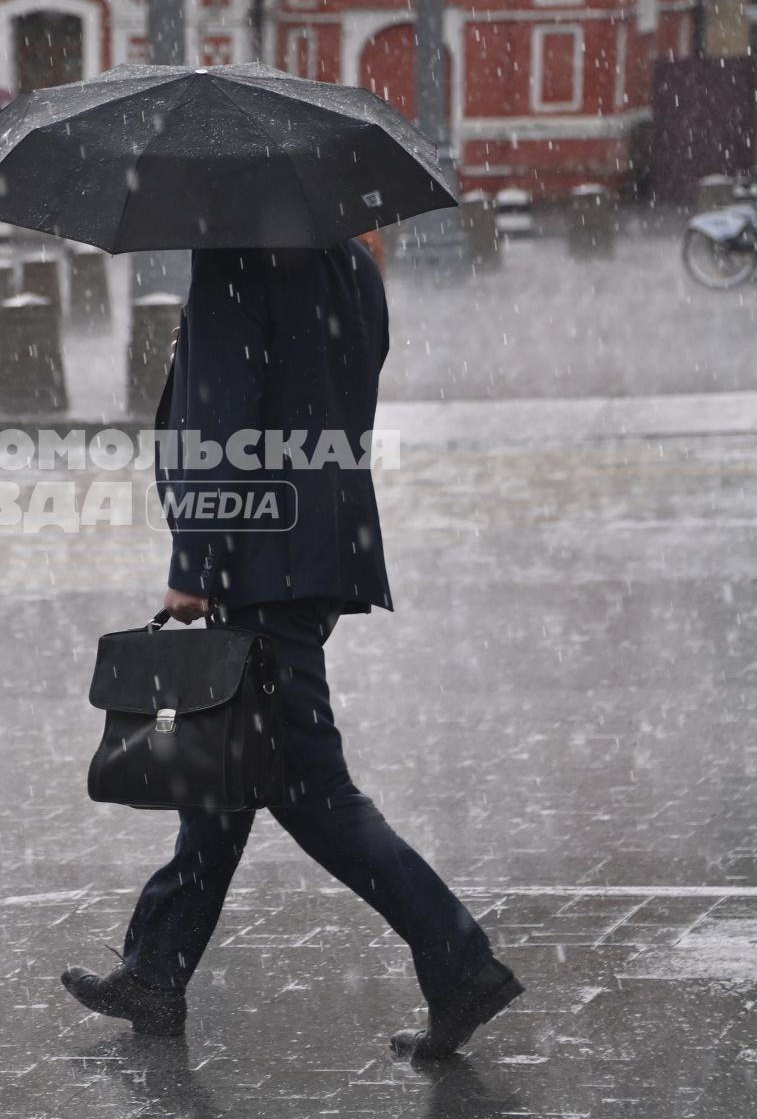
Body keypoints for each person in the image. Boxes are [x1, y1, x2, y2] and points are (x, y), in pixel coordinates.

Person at [61, 244, 522, 1060]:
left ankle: (460, 964)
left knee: (311, 790)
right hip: (318, 547)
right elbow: (342, 392)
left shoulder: (237, 262)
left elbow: (222, 422)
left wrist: (192, 567)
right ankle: (155, 971)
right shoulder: (352, 265)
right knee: (229, 772)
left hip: (259, 560)